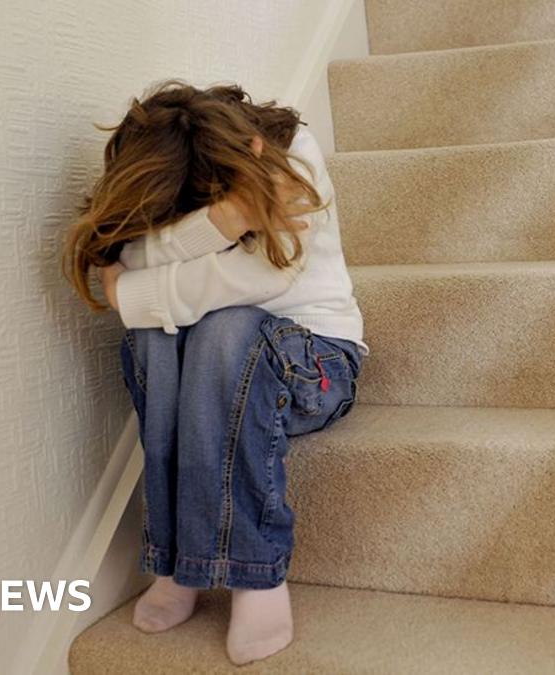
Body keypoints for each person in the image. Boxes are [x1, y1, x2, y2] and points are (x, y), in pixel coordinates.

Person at [61, 79, 368, 666]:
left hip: (316, 365)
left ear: (248, 150)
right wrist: (223, 222)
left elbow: (262, 279)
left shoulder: (290, 155)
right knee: (157, 335)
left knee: (226, 326)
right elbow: (122, 251)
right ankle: (182, 565)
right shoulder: (172, 167)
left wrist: (135, 292)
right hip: (213, 375)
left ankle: (255, 574)